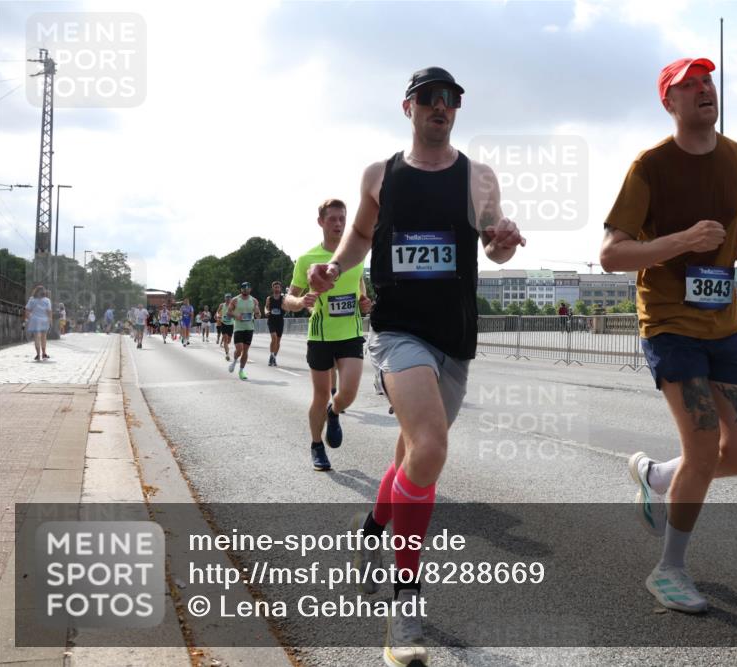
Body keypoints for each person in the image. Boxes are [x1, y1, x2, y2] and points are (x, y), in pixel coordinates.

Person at [305, 66, 524, 667]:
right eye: (428, 98)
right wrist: (331, 270)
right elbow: (358, 240)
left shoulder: (478, 176)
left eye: (450, 99)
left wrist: (505, 235)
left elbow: (496, 246)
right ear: (408, 107)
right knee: (429, 448)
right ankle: (406, 602)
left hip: (454, 337)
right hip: (398, 331)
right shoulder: (381, 174)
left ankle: (372, 532)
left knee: (409, 455)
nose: (440, 107)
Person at [599, 56, 737, 613]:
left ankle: (657, 475)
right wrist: (681, 240)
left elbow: (728, 228)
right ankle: (669, 570)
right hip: (670, 319)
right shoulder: (650, 165)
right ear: (668, 102)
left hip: (723, 322)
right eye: (688, 86)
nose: (703, 91)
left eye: (707, 82)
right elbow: (611, 254)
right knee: (702, 447)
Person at [285, 199, 373, 470]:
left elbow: (360, 290)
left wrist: (363, 302)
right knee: (321, 395)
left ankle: (334, 414)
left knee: (347, 393)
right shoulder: (307, 259)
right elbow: (288, 299)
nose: (338, 223)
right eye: (332, 218)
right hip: (321, 336)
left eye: (342, 219)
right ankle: (316, 446)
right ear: (321, 222)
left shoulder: (355, 256)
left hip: (350, 333)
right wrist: (300, 303)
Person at [227, 282, 261, 380]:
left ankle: (241, 370)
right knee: (239, 349)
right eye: (244, 288)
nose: (246, 289)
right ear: (241, 289)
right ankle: (234, 361)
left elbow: (258, 314)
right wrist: (236, 316)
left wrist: (258, 314)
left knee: (245, 350)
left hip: (249, 328)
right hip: (238, 328)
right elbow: (229, 313)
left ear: (250, 289)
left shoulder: (254, 301)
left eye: (248, 288)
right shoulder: (235, 300)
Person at [25, 285, 53, 360]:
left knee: (37, 337)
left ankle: (38, 355)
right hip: (44, 320)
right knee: (44, 337)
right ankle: (44, 353)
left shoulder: (31, 299)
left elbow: (27, 310)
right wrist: (50, 320)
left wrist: (29, 318)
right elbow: (49, 311)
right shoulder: (47, 300)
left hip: (35, 320)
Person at [266, 281, 286, 367]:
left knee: (278, 341)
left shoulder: (283, 298)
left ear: (280, 288)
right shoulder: (269, 298)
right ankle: (272, 355)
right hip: (271, 320)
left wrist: (286, 306)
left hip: (280, 321)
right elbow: (266, 308)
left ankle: (273, 357)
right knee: (274, 338)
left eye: (278, 287)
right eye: (275, 287)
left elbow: (286, 308)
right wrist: (266, 312)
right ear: (272, 288)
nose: (277, 288)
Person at [215, 293, 234, 360]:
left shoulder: (233, 305)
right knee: (225, 339)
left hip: (231, 324)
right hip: (224, 323)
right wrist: (217, 316)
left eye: (229, 297)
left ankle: (226, 347)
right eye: (226, 297)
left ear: (231, 298)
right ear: (224, 298)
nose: (228, 299)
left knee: (229, 340)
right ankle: (227, 354)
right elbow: (217, 312)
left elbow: (237, 312)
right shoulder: (222, 305)